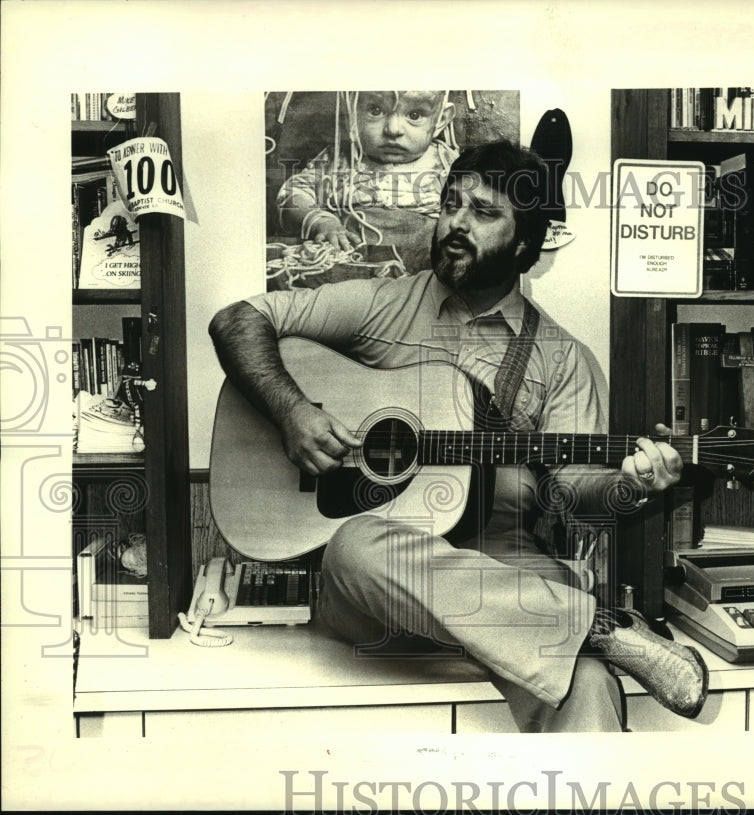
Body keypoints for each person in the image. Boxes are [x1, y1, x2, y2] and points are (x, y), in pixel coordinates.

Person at [210, 140, 708, 732]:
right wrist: (293, 412)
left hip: (510, 566)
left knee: (590, 685)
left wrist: (635, 486)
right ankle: (596, 625)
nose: (457, 223)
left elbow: (576, 491)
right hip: (385, 586)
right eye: (452, 204)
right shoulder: (383, 304)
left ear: (526, 244)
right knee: (354, 545)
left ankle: (591, 641)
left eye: (484, 212)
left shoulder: (563, 358)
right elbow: (238, 320)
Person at [274, 90, 458, 279]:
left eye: (414, 115)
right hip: (349, 264)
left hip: (422, 270)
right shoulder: (337, 160)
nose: (393, 129)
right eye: (375, 110)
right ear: (352, 115)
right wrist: (320, 222)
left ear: (440, 120)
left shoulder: (448, 165)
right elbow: (291, 194)